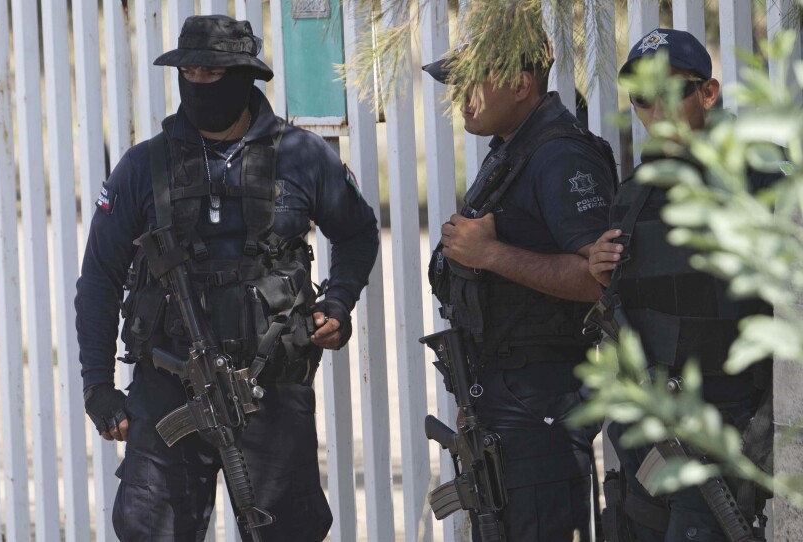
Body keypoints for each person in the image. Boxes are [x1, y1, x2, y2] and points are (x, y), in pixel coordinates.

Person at [75, 15, 379, 541]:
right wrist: (98, 385)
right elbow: (100, 278)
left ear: (243, 77)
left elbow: (357, 234)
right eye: (189, 72)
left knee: (285, 531)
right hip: (168, 386)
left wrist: (338, 302)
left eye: (212, 73)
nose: (198, 83)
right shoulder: (144, 166)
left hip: (271, 387)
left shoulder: (301, 156)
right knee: (148, 531)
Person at [422, 32, 617, 541]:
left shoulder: (561, 157)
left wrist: (490, 254)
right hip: (507, 394)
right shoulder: (514, 150)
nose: (459, 96)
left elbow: (600, 282)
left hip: (541, 401)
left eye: (472, 82)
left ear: (521, 84)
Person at [588, 28, 776, 542]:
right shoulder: (634, 194)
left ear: (708, 93)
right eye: (643, 97)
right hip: (647, 431)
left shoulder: (756, 173)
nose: (657, 110)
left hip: (721, 423)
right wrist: (601, 271)